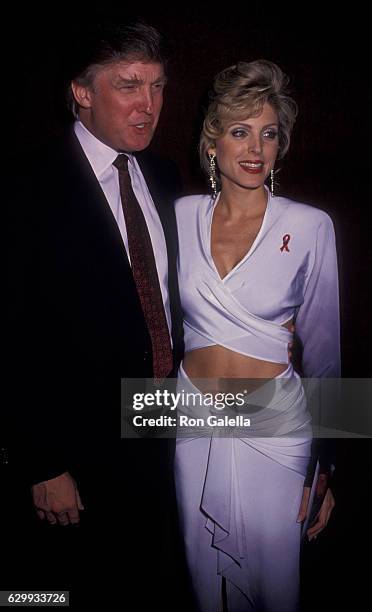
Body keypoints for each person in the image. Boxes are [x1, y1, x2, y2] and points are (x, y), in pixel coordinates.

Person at [6, 20, 185, 608]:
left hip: (163, 429)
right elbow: (12, 335)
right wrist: (42, 461)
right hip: (77, 454)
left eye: (157, 87)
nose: (149, 105)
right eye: (130, 86)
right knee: (59, 594)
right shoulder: (25, 190)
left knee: (153, 582)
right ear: (82, 92)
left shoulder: (165, 177)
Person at [173, 60, 340, 611]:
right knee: (202, 583)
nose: (255, 147)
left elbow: (325, 352)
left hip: (275, 426)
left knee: (275, 588)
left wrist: (328, 469)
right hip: (190, 418)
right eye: (239, 130)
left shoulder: (311, 225)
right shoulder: (178, 216)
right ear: (212, 142)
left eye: (268, 133)